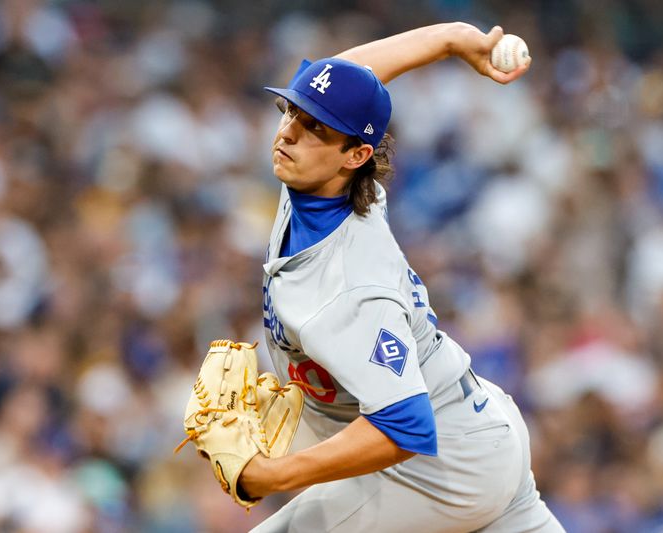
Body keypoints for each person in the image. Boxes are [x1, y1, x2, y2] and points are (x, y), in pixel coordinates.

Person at [240, 22, 564, 532]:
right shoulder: (322, 182)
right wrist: (454, 39)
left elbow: (402, 427)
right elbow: (345, 78)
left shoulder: (351, 285)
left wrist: (272, 476)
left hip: (438, 468)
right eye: (292, 112)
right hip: (478, 431)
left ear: (357, 155)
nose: (289, 132)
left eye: (315, 127)